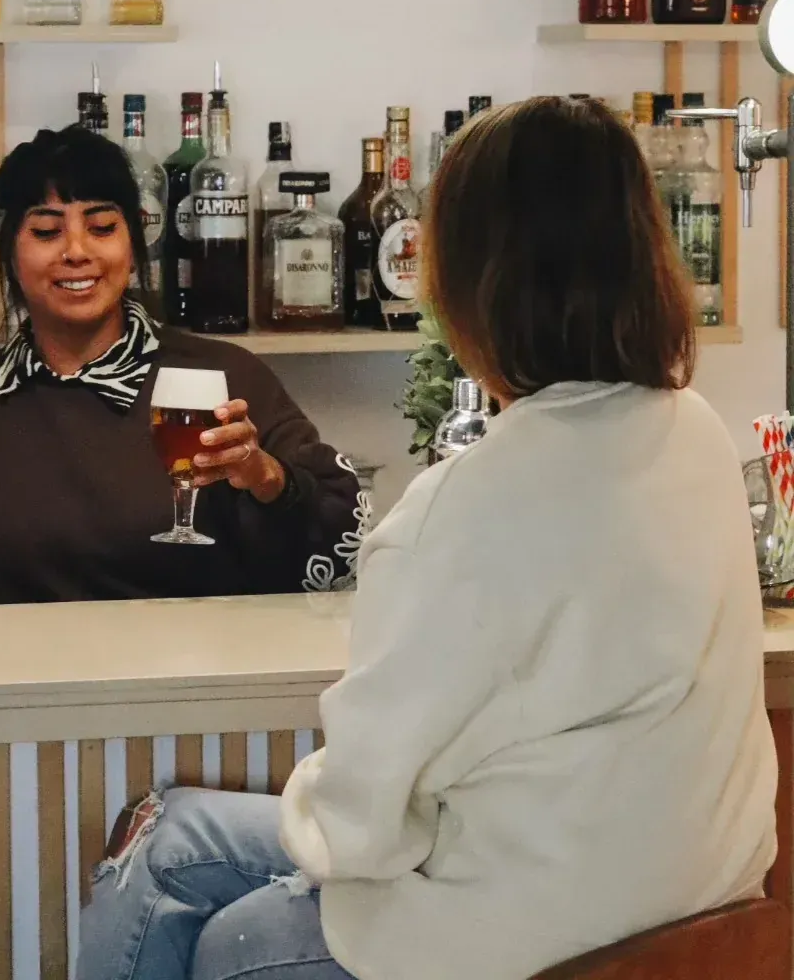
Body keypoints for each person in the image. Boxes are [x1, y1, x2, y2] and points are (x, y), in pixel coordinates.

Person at [76, 96, 777, 980]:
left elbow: (362, 818)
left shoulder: (465, 507)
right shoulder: (701, 434)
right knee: (174, 837)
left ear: (470, 282)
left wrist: (310, 857)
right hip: (692, 910)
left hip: (535, 935)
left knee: (225, 934)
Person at [0, 125, 360, 607]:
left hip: (190, 684)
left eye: (102, 228)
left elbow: (341, 537)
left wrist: (267, 478)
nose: (77, 252)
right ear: (6, 252)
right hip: (12, 687)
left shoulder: (223, 379)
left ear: (134, 243)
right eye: (45, 231)